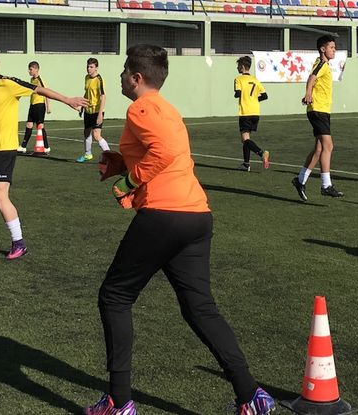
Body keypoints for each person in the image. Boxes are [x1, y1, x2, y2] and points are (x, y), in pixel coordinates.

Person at [86, 44, 274, 415]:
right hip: (195, 214)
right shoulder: (165, 108)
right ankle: (251, 395)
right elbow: (163, 150)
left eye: (125, 71)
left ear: (136, 78)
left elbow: (166, 152)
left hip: (165, 214)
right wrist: (120, 162)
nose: (122, 76)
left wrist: (129, 181)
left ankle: (119, 402)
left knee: (115, 297)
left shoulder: (139, 107)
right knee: (199, 308)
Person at [0, 44, 87, 257]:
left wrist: (67, 100)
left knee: (0, 195)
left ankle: (19, 242)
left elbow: (38, 90)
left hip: (5, 149)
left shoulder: (9, 83)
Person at [293, 35, 343, 201]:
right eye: (331, 47)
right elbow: (312, 78)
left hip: (322, 110)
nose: (334, 50)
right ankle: (326, 185)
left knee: (319, 149)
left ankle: (300, 180)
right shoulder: (321, 64)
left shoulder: (325, 65)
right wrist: (308, 93)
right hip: (318, 110)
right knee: (329, 145)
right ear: (323, 49)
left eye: (334, 48)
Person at [233, 56, 269, 171]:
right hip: (255, 112)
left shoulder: (238, 79)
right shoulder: (255, 80)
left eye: (238, 66)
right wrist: (253, 99)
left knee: (245, 139)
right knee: (247, 139)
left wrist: (239, 95)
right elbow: (264, 96)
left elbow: (237, 93)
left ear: (243, 67)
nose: (237, 68)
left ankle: (261, 153)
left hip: (245, 112)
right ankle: (246, 164)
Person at [76, 57, 111, 163]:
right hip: (88, 111)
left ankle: (110, 157)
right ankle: (88, 154)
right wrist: (82, 106)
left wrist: (100, 114)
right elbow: (86, 93)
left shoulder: (99, 80)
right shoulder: (86, 78)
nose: (89, 69)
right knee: (86, 133)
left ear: (96, 68)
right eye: (88, 66)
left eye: (91, 67)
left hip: (97, 111)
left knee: (96, 135)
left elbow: (103, 97)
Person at [18, 60, 51, 154]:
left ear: (36, 69)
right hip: (32, 105)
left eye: (30, 69)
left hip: (40, 105)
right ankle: (23, 146)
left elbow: (47, 92)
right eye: (29, 69)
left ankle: (46, 147)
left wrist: (48, 107)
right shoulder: (32, 80)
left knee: (40, 126)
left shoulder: (40, 80)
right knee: (29, 125)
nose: (29, 71)